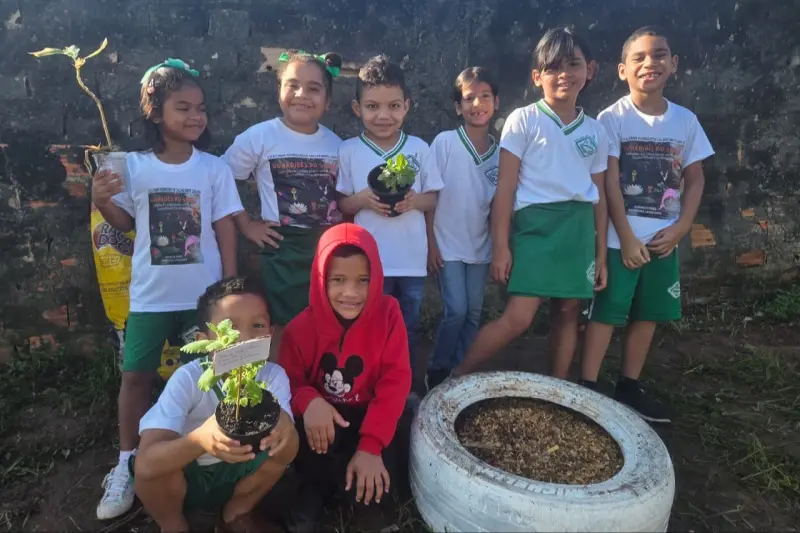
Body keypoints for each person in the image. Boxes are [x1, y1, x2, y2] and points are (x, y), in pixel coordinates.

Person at [91, 58, 243, 520]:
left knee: (206, 380)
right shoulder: (134, 168)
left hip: (202, 300)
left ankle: (201, 456)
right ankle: (126, 463)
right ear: (155, 113)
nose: (196, 117)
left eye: (201, 108)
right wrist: (101, 201)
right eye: (183, 108)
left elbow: (225, 229)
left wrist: (229, 290)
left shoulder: (214, 169)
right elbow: (129, 224)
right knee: (135, 377)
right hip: (152, 296)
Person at [453, 27, 609, 379]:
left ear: (591, 69)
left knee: (568, 312)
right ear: (537, 77)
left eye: (573, 64)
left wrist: (600, 254)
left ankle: (559, 390)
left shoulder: (596, 131)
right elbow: (505, 188)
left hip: (578, 229)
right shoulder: (523, 120)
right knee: (518, 318)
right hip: (535, 229)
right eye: (553, 67)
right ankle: (455, 376)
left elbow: (598, 197)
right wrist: (501, 247)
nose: (564, 74)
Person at [579, 27, 714, 424]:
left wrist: (682, 227)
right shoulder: (611, 120)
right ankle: (587, 385)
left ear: (673, 64)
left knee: (648, 314)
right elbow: (608, 181)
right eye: (638, 57)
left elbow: (695, 178)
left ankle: (629, 386)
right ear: (623, 70)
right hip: (621, 241)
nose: (649, 63)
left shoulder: (686, 122)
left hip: (663, 240)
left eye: (659, 55)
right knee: (607, 312)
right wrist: (624, 235)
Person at [132, 276, 298, 533]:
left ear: (269, 334)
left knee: (275, 458)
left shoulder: (273, 377)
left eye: (257, 325)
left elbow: (288, 453)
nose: (244, 338)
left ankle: (235, 514)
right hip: (188, 475)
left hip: (239, 472)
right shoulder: (189, 379)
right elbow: (146, 464)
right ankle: (173, 524)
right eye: (230, 328)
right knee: (154, 474)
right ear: (204, 339)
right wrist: (199, 441)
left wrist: (286, 429)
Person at [278, 223, 412, 532]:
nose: (350, 293)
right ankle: (315, 487)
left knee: (374, 506)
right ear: (320, 279)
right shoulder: (300, 329)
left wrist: (371, 447)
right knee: (312, 435)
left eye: (363, 281)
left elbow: (395, 381)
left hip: (371, 416)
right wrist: (309, 400)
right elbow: (289, 381)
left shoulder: (390, 314)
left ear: (377, 278)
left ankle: (362, 485)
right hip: (322, 423)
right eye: (338, 280)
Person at [223, 49, 344, 361]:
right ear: (279, 91)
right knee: (279, 326)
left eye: (314, 88)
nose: (302, 95)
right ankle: (278, 391)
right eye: (292, 85)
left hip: (325, 250)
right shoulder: (260, 137)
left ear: (328, 102)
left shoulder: (337, 146)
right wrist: (245, 223)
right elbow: (219, 179)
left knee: (323, 323)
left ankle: (316, 389)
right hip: (281, 250)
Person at [336, 55, 443, 404]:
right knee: (367, 326)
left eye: (393, 106)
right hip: (368, 263)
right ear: (357, 108)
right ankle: (367, 386)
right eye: (372, 106)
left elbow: (433, 199)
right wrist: (364, 199)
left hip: (411, 261)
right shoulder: (349, 151)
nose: (383, 115)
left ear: (407, 106)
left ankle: (405, 388)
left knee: (407, 329)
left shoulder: (418, 149)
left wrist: (414, 202)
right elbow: (342, 206)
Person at [425, 67, 500, 389]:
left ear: (496, 102)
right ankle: (438, 368)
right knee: (455, 310)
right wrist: (430, 244)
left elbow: (500, 207)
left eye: (485, 96)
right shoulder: (444, 143)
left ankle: (461, 370)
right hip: (446, 244)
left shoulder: (503, 153)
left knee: (473, 312)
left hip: (480, 247)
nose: (477, 104)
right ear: (458, 107)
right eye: (469, 98)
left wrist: (499, 248)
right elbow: (429, 195)